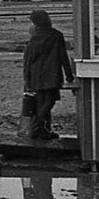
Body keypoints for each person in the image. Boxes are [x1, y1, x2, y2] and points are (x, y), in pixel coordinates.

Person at [23, 9, 75, 140]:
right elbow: (63, 56)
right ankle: (36, 127)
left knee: (42, 103)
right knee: (50, 101)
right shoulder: (56, 35)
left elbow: (28, 60)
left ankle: (44, 130)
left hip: (36, 74)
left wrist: (27, 78)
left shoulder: (34, 38)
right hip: (52, 74)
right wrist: (69, 75)